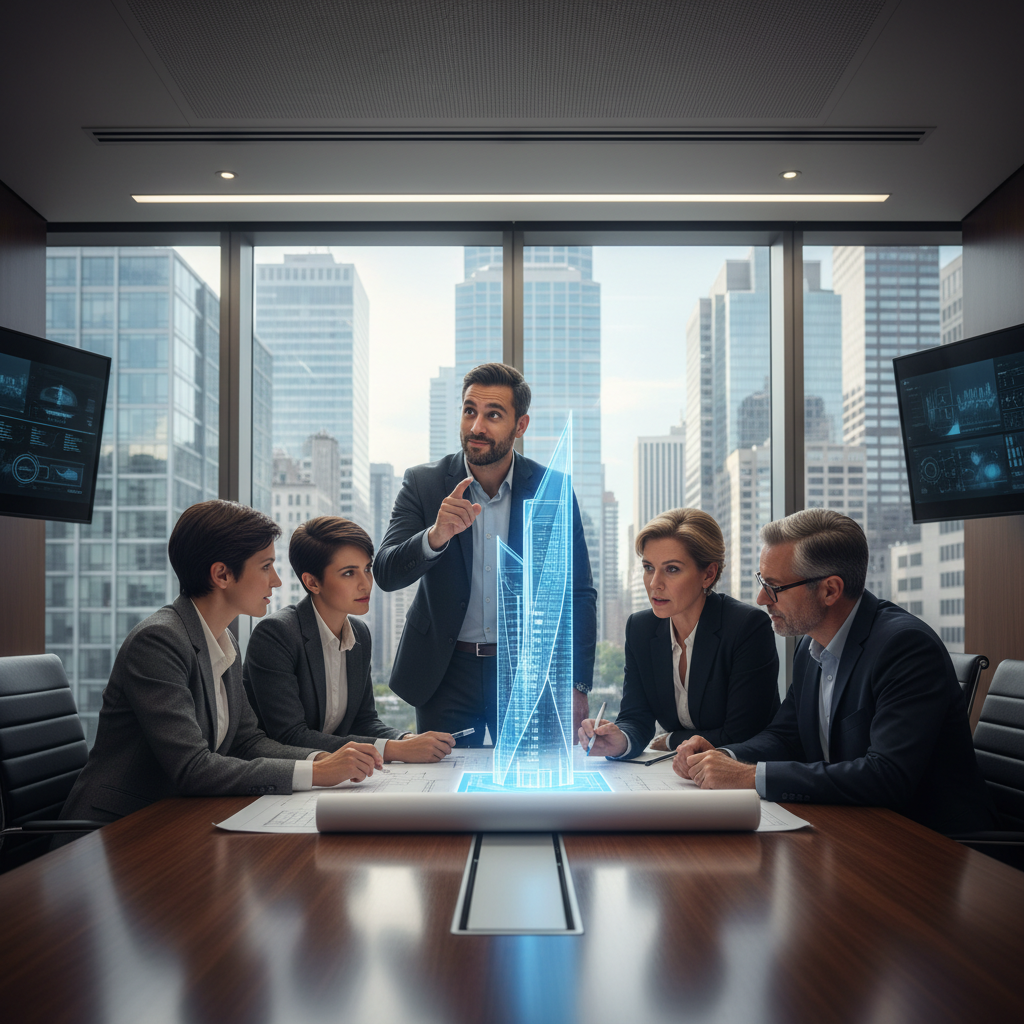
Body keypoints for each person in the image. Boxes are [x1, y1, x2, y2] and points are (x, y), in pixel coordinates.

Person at [59, 500, 383, 831]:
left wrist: (322, 760)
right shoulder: (158, 641)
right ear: (222, 574)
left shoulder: (223, 640)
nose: (276, 582)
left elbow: (247, 742)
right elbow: (193, 767)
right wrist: (317, 773)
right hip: (115, 830)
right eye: (265, 566)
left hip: (175, 820)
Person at [673, 508, 996, 835]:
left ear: (830, 590)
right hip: (852, 828)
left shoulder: (905, 648)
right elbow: (787, 736)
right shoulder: (810, 646)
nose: (761, 599)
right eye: (762, 582)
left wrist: (749, 777)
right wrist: (723, 757)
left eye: (774, 587)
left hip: (930, 846)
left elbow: (886, 776)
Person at [373, 362, 597, 744]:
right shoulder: (423, 484)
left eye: (493, 415)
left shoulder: (552, 490)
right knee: (443, 793)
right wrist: (435, 535)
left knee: (530, 796)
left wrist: (577, 684)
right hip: (444, 673)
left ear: (520, 426)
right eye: (469, 411)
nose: (476, 427)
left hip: (525, 673)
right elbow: (386, 571)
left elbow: (577, 593)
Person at [243, 515, 455, 762]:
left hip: (338, 774)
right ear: (312, 582)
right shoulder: (276, 635)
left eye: (367, 569)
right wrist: (396, 750)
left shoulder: (359, 634)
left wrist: (406, 740)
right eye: (348, 573)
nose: (365, 584)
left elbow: (363, 721)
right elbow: (290, 736)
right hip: (277, 780)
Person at [579, 508, 779, 759]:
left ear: (708, 574)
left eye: (671, 569)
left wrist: (671, 739)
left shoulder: (747, 627)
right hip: (680, 775)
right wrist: (621, 740)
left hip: (742, 777)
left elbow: (742, 734)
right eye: (649, 567)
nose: (654, 583)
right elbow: (635, 716)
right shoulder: (641, 628)